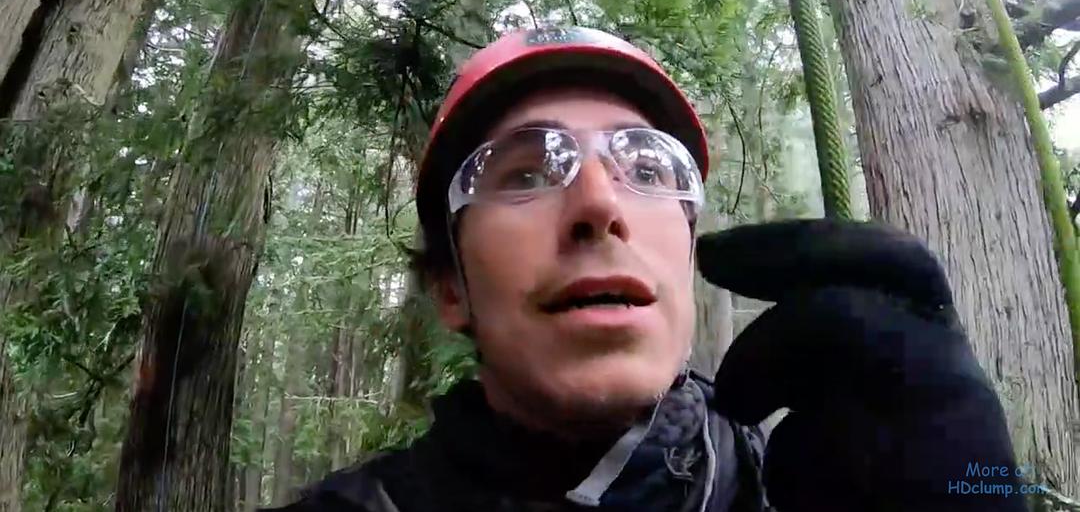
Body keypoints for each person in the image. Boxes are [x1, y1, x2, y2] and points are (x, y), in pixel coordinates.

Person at [270, 26, 1025, 512]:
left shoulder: (812, 484)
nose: (599, 204)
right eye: (525, 173)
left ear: (688, 247)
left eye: (647, 168)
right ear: (450, 288)